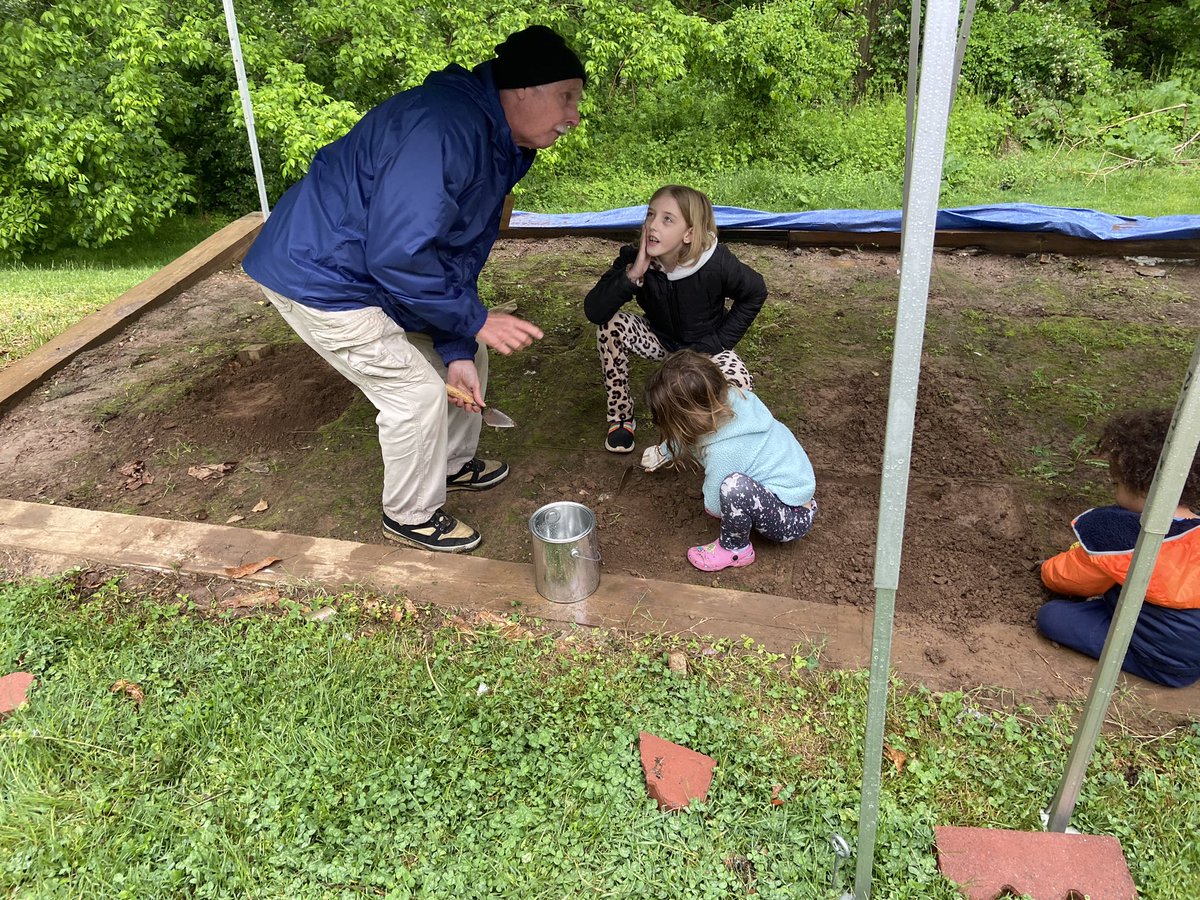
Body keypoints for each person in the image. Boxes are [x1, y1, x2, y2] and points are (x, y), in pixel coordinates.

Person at [241, 26, 586, 553]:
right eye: (567, 96)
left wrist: (458, 339)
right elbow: (400, 252)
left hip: (369, 266)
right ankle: (409, 515)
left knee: (469, 351)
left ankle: (449, 463)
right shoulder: (444, 129)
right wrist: (471, 318)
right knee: (414, 393)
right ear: (522, 91)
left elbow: (454, 249)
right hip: (320, 274)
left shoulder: (497, 141)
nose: (573, 116)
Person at [583, 185, 768, 454]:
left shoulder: (714, 262)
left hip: (706, 351)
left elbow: (755, 291)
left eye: (667, 219)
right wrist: (633, 274)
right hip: (661, 339)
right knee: (611, 325)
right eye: (650, 215)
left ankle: (718, 442)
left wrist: (717, 342)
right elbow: (594, 311)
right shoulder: (634, 259)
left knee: (740, 386)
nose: (653, 226)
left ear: (689, 234)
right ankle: (621, 418)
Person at [1037, 408, 1200, 687]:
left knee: (1052, 617)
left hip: (1159, 659)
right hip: (1193, 649)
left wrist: (1052, 565)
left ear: (1139, 485)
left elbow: (1061, 577)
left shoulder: (1118, 536)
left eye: (1116, 482)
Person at [641, 350, 816, 572]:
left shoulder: (724, 451)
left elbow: (714, 507)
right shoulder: (733, 398)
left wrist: (713, 499)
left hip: (790, 518)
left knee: (734, 488)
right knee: (736, 484)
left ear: (689, 419)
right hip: (794, 492)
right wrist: (665, 451)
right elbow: (692, 435)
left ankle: (736, 549)